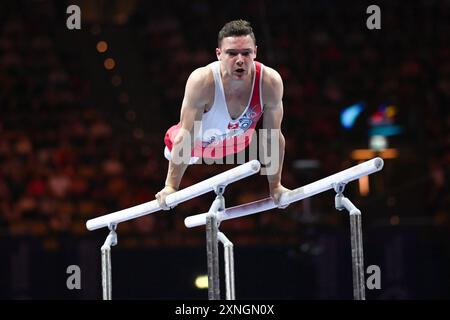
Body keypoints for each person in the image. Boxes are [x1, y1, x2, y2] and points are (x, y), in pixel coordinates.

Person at [156, 19, 290, 210]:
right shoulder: (202, 81)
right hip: (198, 143)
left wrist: (275, 186)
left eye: (246, 53)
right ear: (219, 54)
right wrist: (171, 187)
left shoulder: (269, 82)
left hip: (237, 142)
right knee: (179, 137)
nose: (240, 60)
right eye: (232, 53)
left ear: (255, 52)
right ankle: (177, 155)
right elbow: (187, 137)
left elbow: (273, 137)